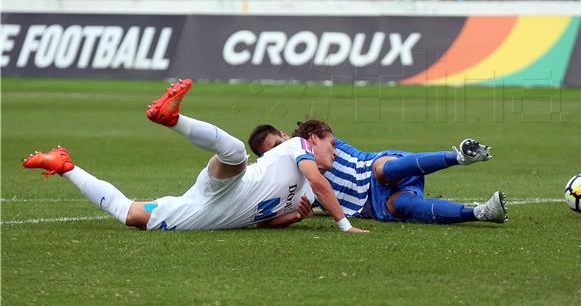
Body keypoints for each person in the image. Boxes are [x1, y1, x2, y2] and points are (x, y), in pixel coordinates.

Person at [22, 79, 368, 233]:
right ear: (313, 138)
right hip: (234, 185)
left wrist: (294, 218)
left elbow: (263, 222)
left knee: (129, 214)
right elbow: (321, 183)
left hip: (209, 210)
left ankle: (64, 164)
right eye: (332, 144)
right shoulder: (298, 148)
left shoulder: (306, 194)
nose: (334, 152)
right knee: (234, 153)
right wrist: (344, 225)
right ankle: (170, 117)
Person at [249, 121, 508, 224]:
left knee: (383, 169)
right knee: (402, 203)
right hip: (374, 204)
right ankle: (480, 213)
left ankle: (459, 157)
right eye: (269, 153)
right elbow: (275, 216)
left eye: (277, 144)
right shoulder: (291, 180)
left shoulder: (310, 142)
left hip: (379, 170)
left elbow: (326, 160)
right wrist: (297, 214)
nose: (277, 152)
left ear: (284, 136)